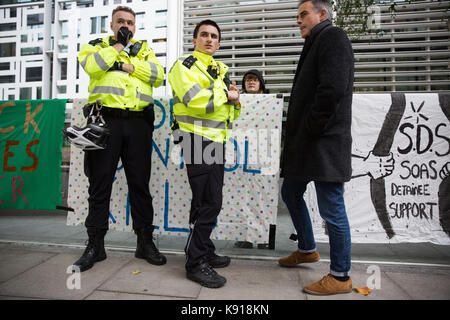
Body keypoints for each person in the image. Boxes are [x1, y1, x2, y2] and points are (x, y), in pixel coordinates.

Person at [73, 5, 166, 272]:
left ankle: (145, 242)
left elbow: (158, 76)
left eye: (130, 22)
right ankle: (95, 246)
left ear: (135, 26)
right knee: (100, 184)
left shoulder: (145, 49)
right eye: (121, 22)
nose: (126, 26)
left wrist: (125, 64)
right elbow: (93, 67)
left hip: (138, 122)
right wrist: (116, 48)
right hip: (105, 122)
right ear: (112, 25)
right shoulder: (95, 46)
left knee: (140, 185)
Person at [279, 0, 355, 295]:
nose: (298, 21)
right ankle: (308, 249)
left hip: (323, 141)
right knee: (290, 192)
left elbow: (333, 88)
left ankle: (340, 276)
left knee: (331, 207)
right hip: (306, 144)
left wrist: (311, 127)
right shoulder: (315, 41)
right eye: (297, 16)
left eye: (303, 14)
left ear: (322, 14)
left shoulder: (333, 37)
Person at [168, 19, 241, 288]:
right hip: (197, 140)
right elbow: (195, 100)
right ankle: (195, 262)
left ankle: (203, 250)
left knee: (205, 200)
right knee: (210, 202)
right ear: (195, 40)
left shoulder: (220, 70)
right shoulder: (184, 65)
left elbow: (231, 111)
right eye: (204, 35)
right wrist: (227, 95)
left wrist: (234, 100)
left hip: (215, 140)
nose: (209, 39)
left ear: (218, 43)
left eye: (214, 36)